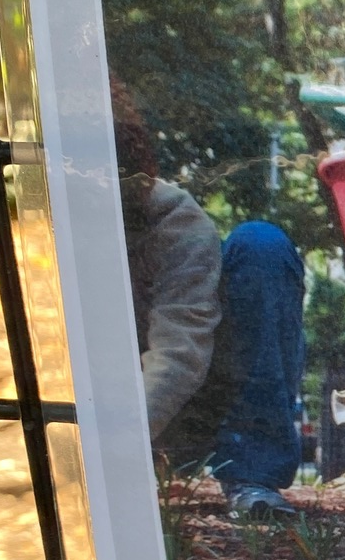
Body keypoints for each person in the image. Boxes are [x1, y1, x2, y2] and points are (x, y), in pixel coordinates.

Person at [112, 77, 306, 520]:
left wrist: (115, 448)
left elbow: (178, 354)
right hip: (95, 417)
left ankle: (253, 477)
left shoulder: (176, 224)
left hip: (181, 416)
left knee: (261, 244)